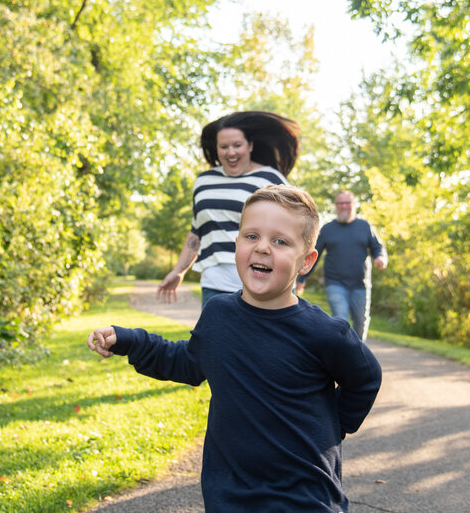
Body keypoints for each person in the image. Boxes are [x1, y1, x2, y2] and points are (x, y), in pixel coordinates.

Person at [88, 185, 382, 512]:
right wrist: (128, 340)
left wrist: (334, 425)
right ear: (237, 243)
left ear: (306, 261)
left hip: (306, 496)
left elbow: (366, 378)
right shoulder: (218, 315)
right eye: (251, 236)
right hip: (230, 494)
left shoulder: (325, 332)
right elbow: (186, 361)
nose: (262, 249)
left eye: (280, 241)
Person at [156, 111, 300, 308]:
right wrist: (178, 270)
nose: (230, 152)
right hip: (215, 285)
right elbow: (197, 232)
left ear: (249, 146)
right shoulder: (204, 182)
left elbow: (292, 230)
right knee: (216, 340)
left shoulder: (270, 179)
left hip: (265, 283)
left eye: (237, 145)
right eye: (224, 146)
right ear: (216, 149)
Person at [296, 190, 388, 341]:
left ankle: (358, 351)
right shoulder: (327, 229)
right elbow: (313, 255)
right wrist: (302, 277)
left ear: (354, 205)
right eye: (340, 203)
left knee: (361, 321)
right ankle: (343, 356)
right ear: (336, 206)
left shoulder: (365, 227)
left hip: (360, 284)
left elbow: (377, 247)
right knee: (341, 320)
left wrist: (380, 257)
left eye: (347, 203)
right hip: (335, 283)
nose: (344, 206)